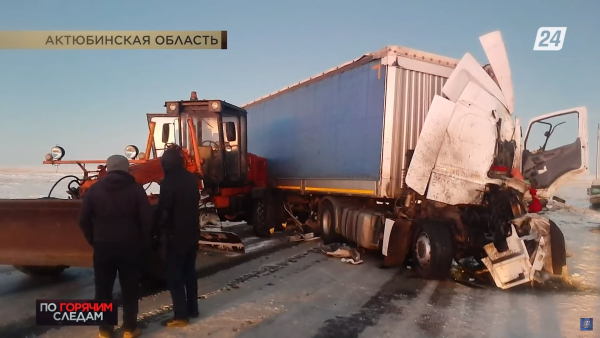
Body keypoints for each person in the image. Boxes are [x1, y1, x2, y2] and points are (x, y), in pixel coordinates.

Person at [79, 154, 153, 338]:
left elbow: (83, 220)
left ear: (108, 168)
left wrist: (93, 239)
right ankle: (129, 328)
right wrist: (143, 242)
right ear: (126, 169)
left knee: (103, 288)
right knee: (130, 288)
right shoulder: (136, 190)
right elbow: (146, 219)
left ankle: (104, 330)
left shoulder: (94, 191)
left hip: (103, 246)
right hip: (130, 246)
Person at [155, 147, 201, 327]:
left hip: (176, 235)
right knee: (190, 272)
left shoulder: (168, 182)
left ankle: (181, 316)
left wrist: (157, 226)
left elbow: (165, 210)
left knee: (174, 276)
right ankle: (192, 309)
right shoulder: (191, 179)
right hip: (192, 232)